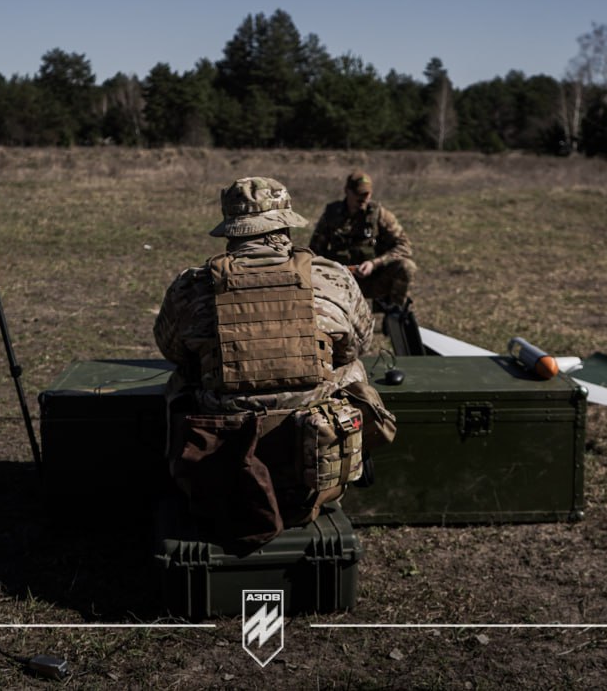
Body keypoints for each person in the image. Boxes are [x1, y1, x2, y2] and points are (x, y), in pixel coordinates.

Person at [154, 177, 395, 545]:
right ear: (285, 222)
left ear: (231, 230)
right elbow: (358, 344)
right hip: (313, 468)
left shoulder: (192, 287)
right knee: (353, 369)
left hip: (221, 466)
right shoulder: (331, 277)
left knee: (182, 378)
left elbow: (171, 350)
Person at [308, 169, 416, 310]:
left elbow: (404, 246)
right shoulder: (332, 215)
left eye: (367, 194)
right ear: (347, 191)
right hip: (338, 279)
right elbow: (314, 251)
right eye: (358, 194)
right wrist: (332, 270)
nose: (363, 198)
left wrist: (374, 263)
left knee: (406, 267)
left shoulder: (379, 215)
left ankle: (393, 313)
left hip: (371, 278)